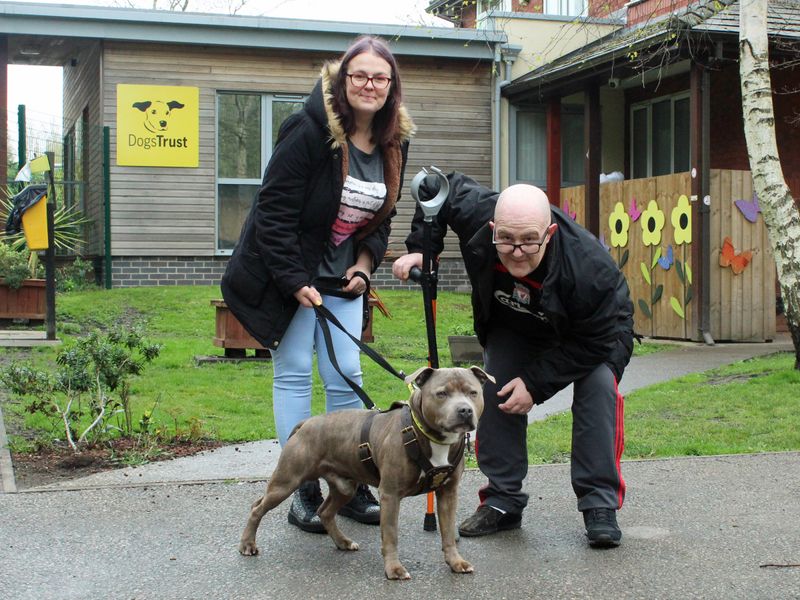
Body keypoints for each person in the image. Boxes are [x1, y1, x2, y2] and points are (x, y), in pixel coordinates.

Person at [222, 36, 415, 534]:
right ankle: (301, 486)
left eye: (380, 78)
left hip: (342, 278)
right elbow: (273, 212)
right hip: (288, 269)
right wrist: (292, 281)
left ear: (391, 87)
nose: (369, 85)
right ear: (343, 79)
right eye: (360, 76)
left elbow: (382, 220)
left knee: (345, 370)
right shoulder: (309, 130)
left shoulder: (395, 141)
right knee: (292, 370)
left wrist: (365, 267)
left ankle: (348, 483)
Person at [392, 173, 633, 548]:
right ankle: (503, 501)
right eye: (505, 239)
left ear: (549, 233)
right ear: (492, 227)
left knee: (597, 390)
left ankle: (599, 504)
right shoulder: (475, 212)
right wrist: (423, 248)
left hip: (593, 334)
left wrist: (536, 385)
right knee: (495, 383)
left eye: (529, 241)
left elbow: (596, 340)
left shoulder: (590, 270)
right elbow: (435, 186)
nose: (516, 251)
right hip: (516, 319)